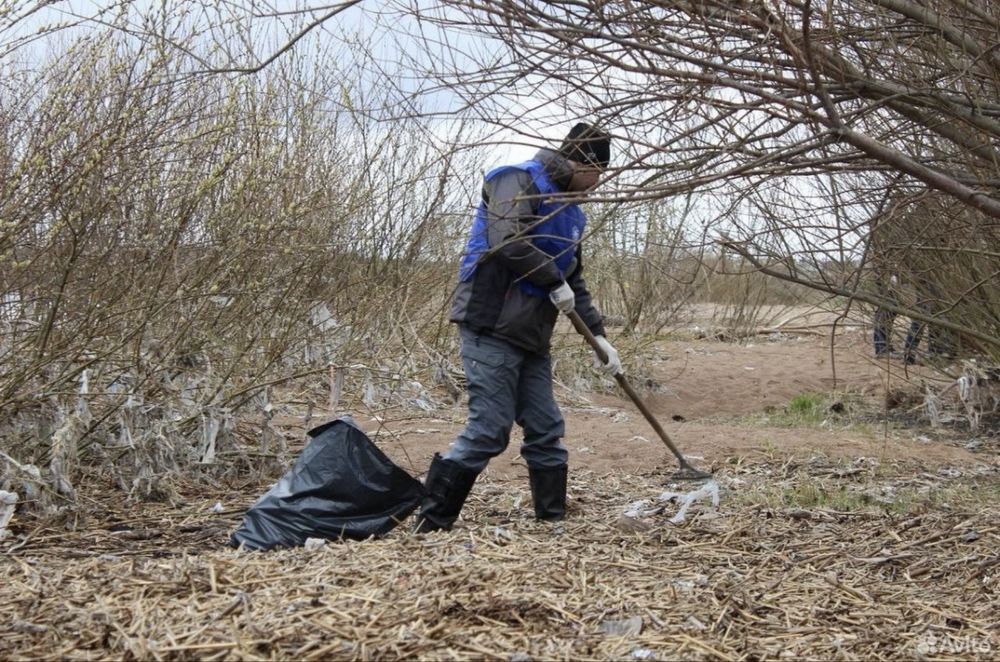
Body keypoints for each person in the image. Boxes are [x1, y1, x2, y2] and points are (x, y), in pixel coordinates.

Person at [414, 122, 622, 533]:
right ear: (581, 163)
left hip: (532, 335)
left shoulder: (572, 214)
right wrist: (551, 280)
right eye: (597, 175)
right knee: (490, 429)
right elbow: (507, 240)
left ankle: (552, 523)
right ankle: (431, 523)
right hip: (490, 322)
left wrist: (599, 336)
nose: (597, 185)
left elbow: (573, 280)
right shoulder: (516, 180)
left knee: (546, 428)